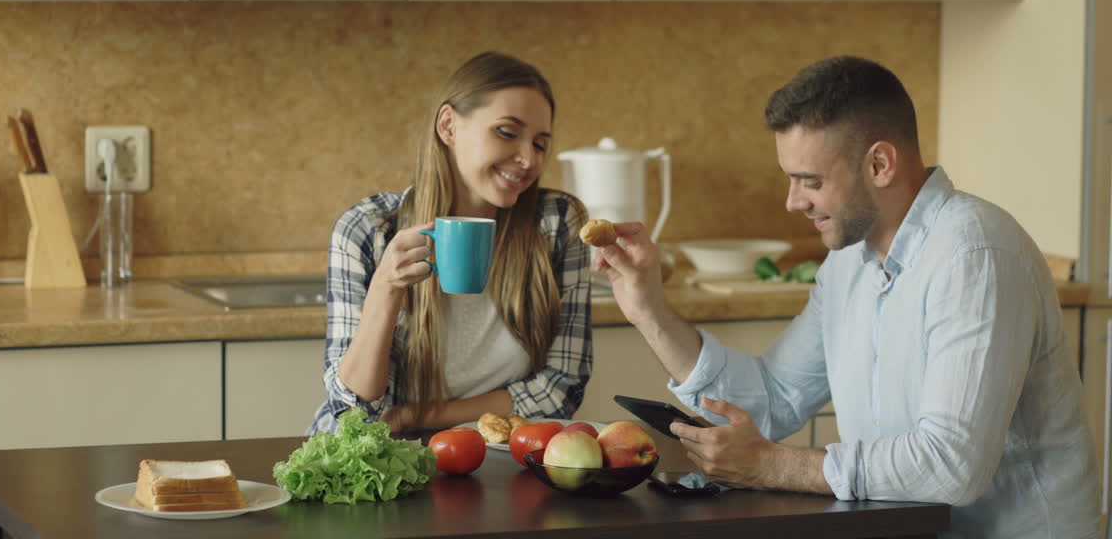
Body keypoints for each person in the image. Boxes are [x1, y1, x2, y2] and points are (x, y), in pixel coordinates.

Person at [598, 56, 1098, 538]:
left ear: (879, 163)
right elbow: (772, 399)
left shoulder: (976, 254)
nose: (793, 201)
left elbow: (951, 466)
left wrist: (771, 465)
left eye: (809, 181)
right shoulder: (848, 264)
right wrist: (649, 310)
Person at [309, 51, 592, 435]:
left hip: (493, 454)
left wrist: (417, 416)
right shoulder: (367, 229)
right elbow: (354, 407)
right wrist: (385, 292)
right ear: (448, 126)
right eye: (507, 132)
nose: (528, 159)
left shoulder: (557, 223)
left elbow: (561, 387)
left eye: (540, 144)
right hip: (382, 455)